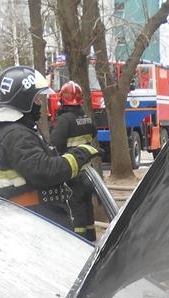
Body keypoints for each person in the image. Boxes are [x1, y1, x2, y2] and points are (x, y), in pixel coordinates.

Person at [0, 66, 100, 229]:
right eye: (36, 99)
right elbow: (45, 171)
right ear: (24, 100)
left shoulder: (15, 131)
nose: (40, 104)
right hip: (35, 219)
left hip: (35, 216)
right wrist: (81, 154)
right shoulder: (16, 135)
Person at [50, 81, 98, 241]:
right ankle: (91, 236)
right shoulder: (87, 119)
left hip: (73, 172)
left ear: (63, 99)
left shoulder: (65, 120)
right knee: (87, 204)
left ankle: (80, 241)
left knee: (75, 206)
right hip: (88, 172)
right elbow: (93, 134)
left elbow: (55, 144)